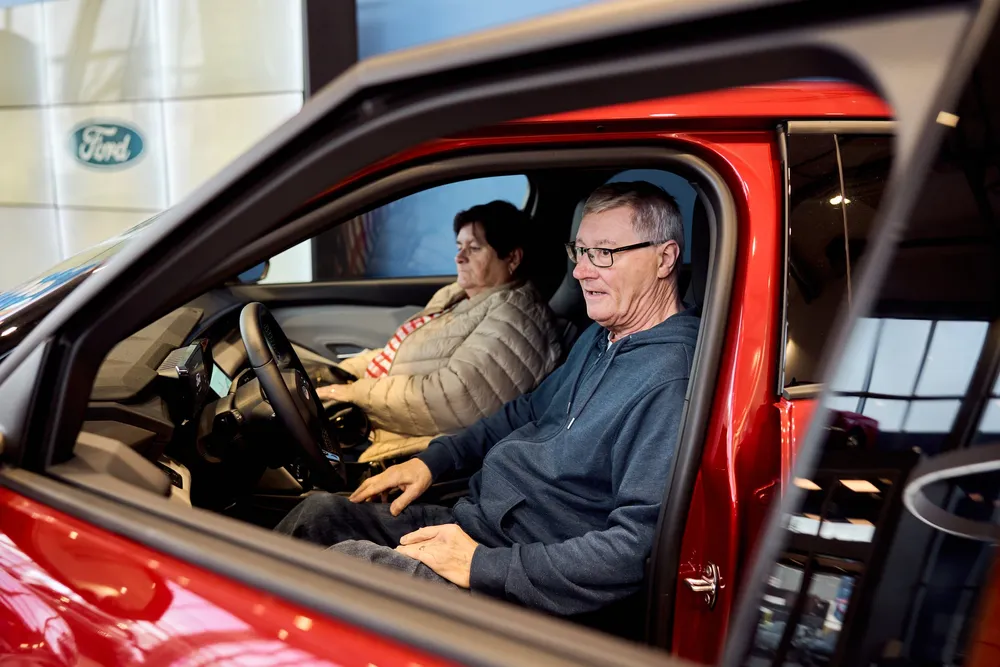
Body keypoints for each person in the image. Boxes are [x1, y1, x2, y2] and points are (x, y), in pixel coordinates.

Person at [278, 182, 700, 616]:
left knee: (342, 566)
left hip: (527, 579)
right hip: (481, 523)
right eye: (581, 251)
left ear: (664, 258)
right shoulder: (601, 337)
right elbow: (526, 410)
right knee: (320, 514)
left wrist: (483, 566)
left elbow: (631, 551)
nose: (580, 272)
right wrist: (433, 461)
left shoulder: (672, 379)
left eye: (604, 253)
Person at [315, 200, 563, 462]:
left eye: (474, 248)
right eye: (459, 247)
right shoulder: (459, 295)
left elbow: (453, 396)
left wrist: (355, 392)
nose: (459, 257)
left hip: (408, 446)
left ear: (512, 258)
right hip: (381, 417)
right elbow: (399, 353)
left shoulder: (515, 317)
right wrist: (346, 372)